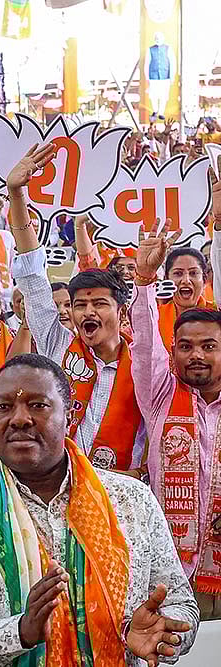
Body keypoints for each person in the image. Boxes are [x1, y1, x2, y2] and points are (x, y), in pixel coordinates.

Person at [0, 354, 199, 667]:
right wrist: (19, 632)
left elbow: (180, 603)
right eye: (4, 406)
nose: (19, 419)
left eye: (37, 405)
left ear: (69, 416)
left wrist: (163, 632)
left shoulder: (132, 501)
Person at [7, 143, 146, 474]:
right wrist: (16, 194)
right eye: (80, 304)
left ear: (123, 314)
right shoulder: (59, 344)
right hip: (55, 487)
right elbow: (32, 273)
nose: (87, 312)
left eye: (99, 303)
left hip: (117, 500)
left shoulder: (146, 367)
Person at [129, 222, 221, 620]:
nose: (196, 355)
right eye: (185, 346)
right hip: (170, 578)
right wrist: (146, 279)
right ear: (173, 352)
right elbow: (146, 341)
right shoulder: (160, 396)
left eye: (209, 346)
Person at [157, 247, 214, 349]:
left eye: (193, 273)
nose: (186, 280)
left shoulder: (216, 314)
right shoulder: (155, 317)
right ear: (166, 279)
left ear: (204, 279)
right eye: (178, 273)